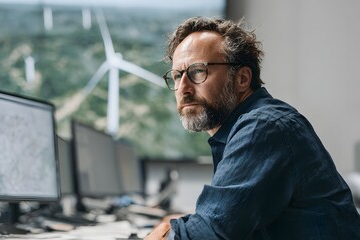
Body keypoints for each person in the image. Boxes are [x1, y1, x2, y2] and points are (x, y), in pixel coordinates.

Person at [145, 17, 360, 239]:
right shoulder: (245, 128)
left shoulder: (263, 127)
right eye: (177, 76)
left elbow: (211, 233)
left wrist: (167, 232)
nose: (183, 88)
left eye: (198, 71)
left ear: (242, 78)